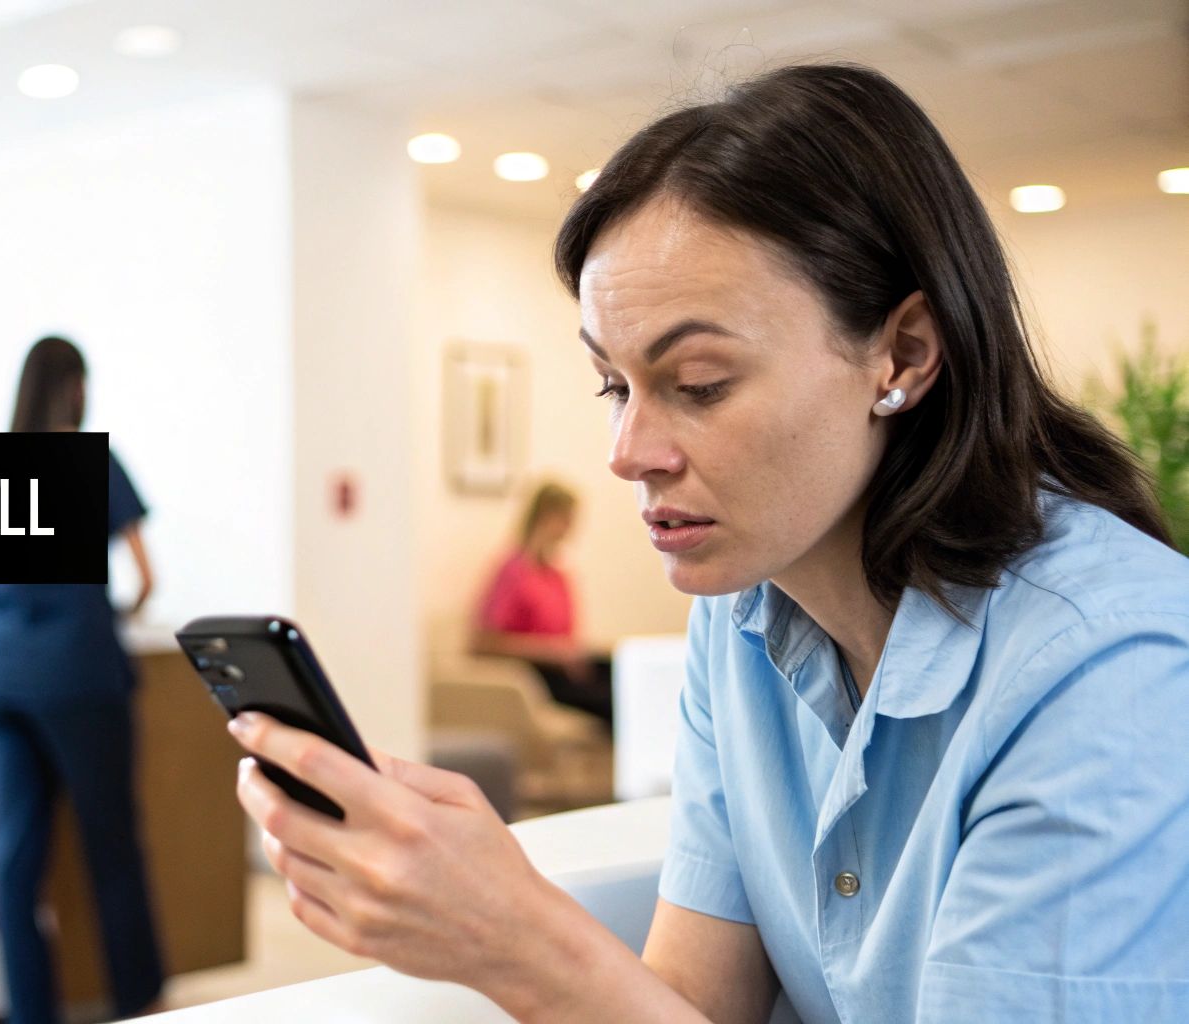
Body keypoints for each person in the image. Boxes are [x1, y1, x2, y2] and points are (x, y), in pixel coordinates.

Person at [223, 62, 1189, 1023]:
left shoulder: (1109, 670)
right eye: (614, 386)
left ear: (902, 356)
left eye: (699, 384)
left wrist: (516, 941)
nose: (627, 454)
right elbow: (698, 1006)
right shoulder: (739, 627)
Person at [0, 336, 167, 1023]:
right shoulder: (95, 465)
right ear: (78, 389)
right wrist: (113, 613)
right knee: (111, 845)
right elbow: (145, 577)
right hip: (78, 675)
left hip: (1, 676)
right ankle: (138, 1001)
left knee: (13, 860)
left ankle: (31, 1013)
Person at [470, 481, 612, 724]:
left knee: (619, 673)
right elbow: (483, 643)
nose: (570, 529)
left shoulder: (557, 575)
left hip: (564, 668)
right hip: (535, 676)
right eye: (566, 520)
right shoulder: (513, 571)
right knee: (612, 700)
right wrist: (551, 653)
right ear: (546, 516)